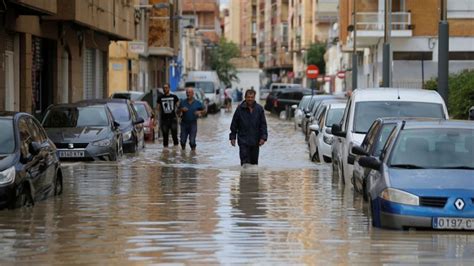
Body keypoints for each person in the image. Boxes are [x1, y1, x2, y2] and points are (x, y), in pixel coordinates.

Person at [229, 89, 268, 166]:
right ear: (245, 97)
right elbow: (234, 124)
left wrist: (263, 137)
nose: (250, 99)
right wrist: (233, 137)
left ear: (254, 98)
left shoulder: (259, 109)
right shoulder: (239, 109)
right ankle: (244, 178)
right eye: (248, 97)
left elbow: (263, 124)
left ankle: (253, 178)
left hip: (255, 141)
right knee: (245, 164)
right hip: (243, 141)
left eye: (252, 97)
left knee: (254, 165)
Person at [157, 83, 179, 147]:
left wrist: (180, 113)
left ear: (169, 88)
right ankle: (165, 151)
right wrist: (155, 118)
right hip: (164, 120)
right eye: (164, 88)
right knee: (165, 136)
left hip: (173, 119)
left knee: (174, 135)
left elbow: (178, 106)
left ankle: (176, 150)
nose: (165, 89)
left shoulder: (174, 97)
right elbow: (157, 108)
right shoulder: (160, 97)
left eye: (166, 88)